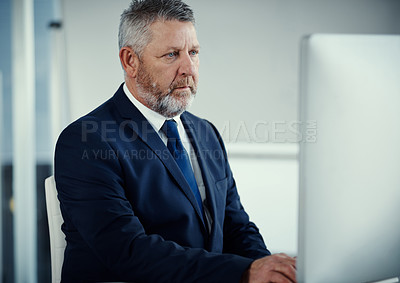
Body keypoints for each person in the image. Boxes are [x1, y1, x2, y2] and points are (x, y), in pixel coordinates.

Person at [54, 0, 297, 282]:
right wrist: (243, 273)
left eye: (193, 52)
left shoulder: (206, 133)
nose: (188, 68)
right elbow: (128, 251)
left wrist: (271, 270)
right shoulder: (86, 141)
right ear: (130, 61)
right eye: (172, 55)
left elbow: (236, 227)